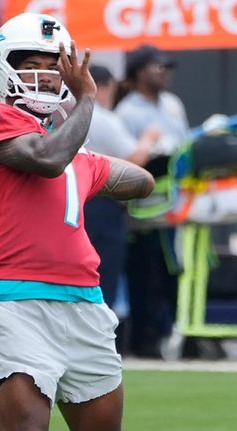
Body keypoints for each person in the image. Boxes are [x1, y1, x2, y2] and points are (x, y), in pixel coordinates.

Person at [0, 13, 154, 431]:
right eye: (31, 66)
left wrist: (89, 167)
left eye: (52, 67)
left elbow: (142, 182)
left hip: (84, 301)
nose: (44, 77)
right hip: (16, 300)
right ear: (3, 66)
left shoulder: (73, 157)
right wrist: (86, 102)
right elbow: (46, 160)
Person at [113, 44, 190, 359]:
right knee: (144, 278)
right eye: (157, 67)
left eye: (166, 67)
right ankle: (143, 342)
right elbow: (124, 162)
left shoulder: (172, 105)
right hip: (141, 216)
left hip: (175, 211)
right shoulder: (127, 112)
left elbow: (185, 148)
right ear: (139, 71)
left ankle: (172, 337)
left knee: (175, 277)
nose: (164, 73)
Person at [84, 64, 160, 310]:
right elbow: (135, 158)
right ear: (103, 88)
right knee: (103, 274)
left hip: (72, 201)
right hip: (102, 203)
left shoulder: (66, 114)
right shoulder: (103, 118)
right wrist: (149, 139)